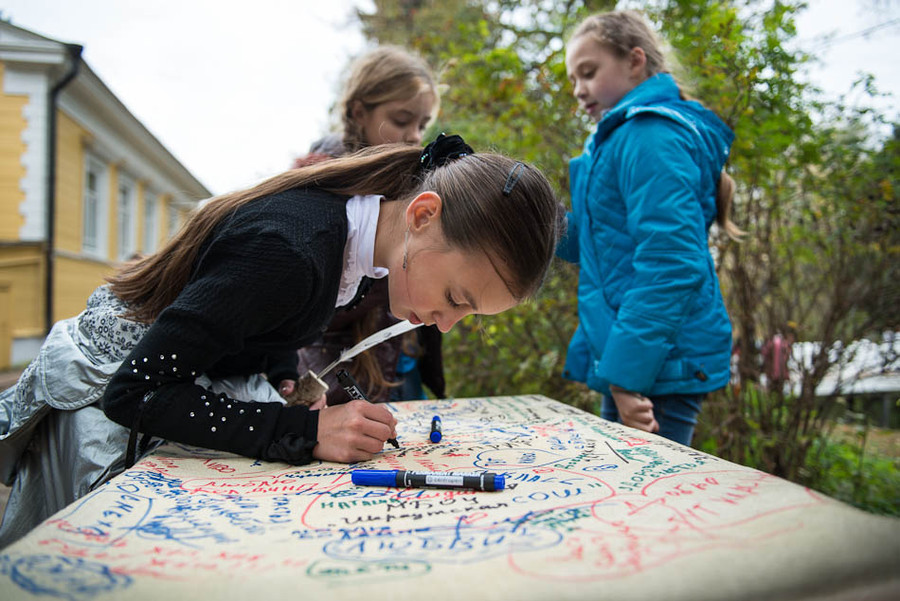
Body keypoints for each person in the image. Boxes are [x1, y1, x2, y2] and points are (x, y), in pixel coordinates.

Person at [0, 133, 562, 546]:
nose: (443, 324)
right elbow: (137, 393)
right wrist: (304, 430)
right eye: (458, 298)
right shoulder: (293, 250)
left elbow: (248, 324)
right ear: (423, 214)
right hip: (97, 416)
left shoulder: (352, 242)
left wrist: (283, 379)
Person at [558, 10, 742, 445]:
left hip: (655, 365)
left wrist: (625, 379)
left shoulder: (649, 136)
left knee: (654, 504)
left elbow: (671, 264)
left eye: (588, 72)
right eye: (572, 79)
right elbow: (597, 246)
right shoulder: (618, 139)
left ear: (634, 61)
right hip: (635, 361)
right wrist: (520, 218)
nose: (579, 89)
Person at [290, 46, 445, 406]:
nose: (412, 136)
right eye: (401, 120)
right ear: (360, 111)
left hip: (403, 362)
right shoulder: (320, 182)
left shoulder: (413, 180)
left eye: (421, 125)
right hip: (335, 369)